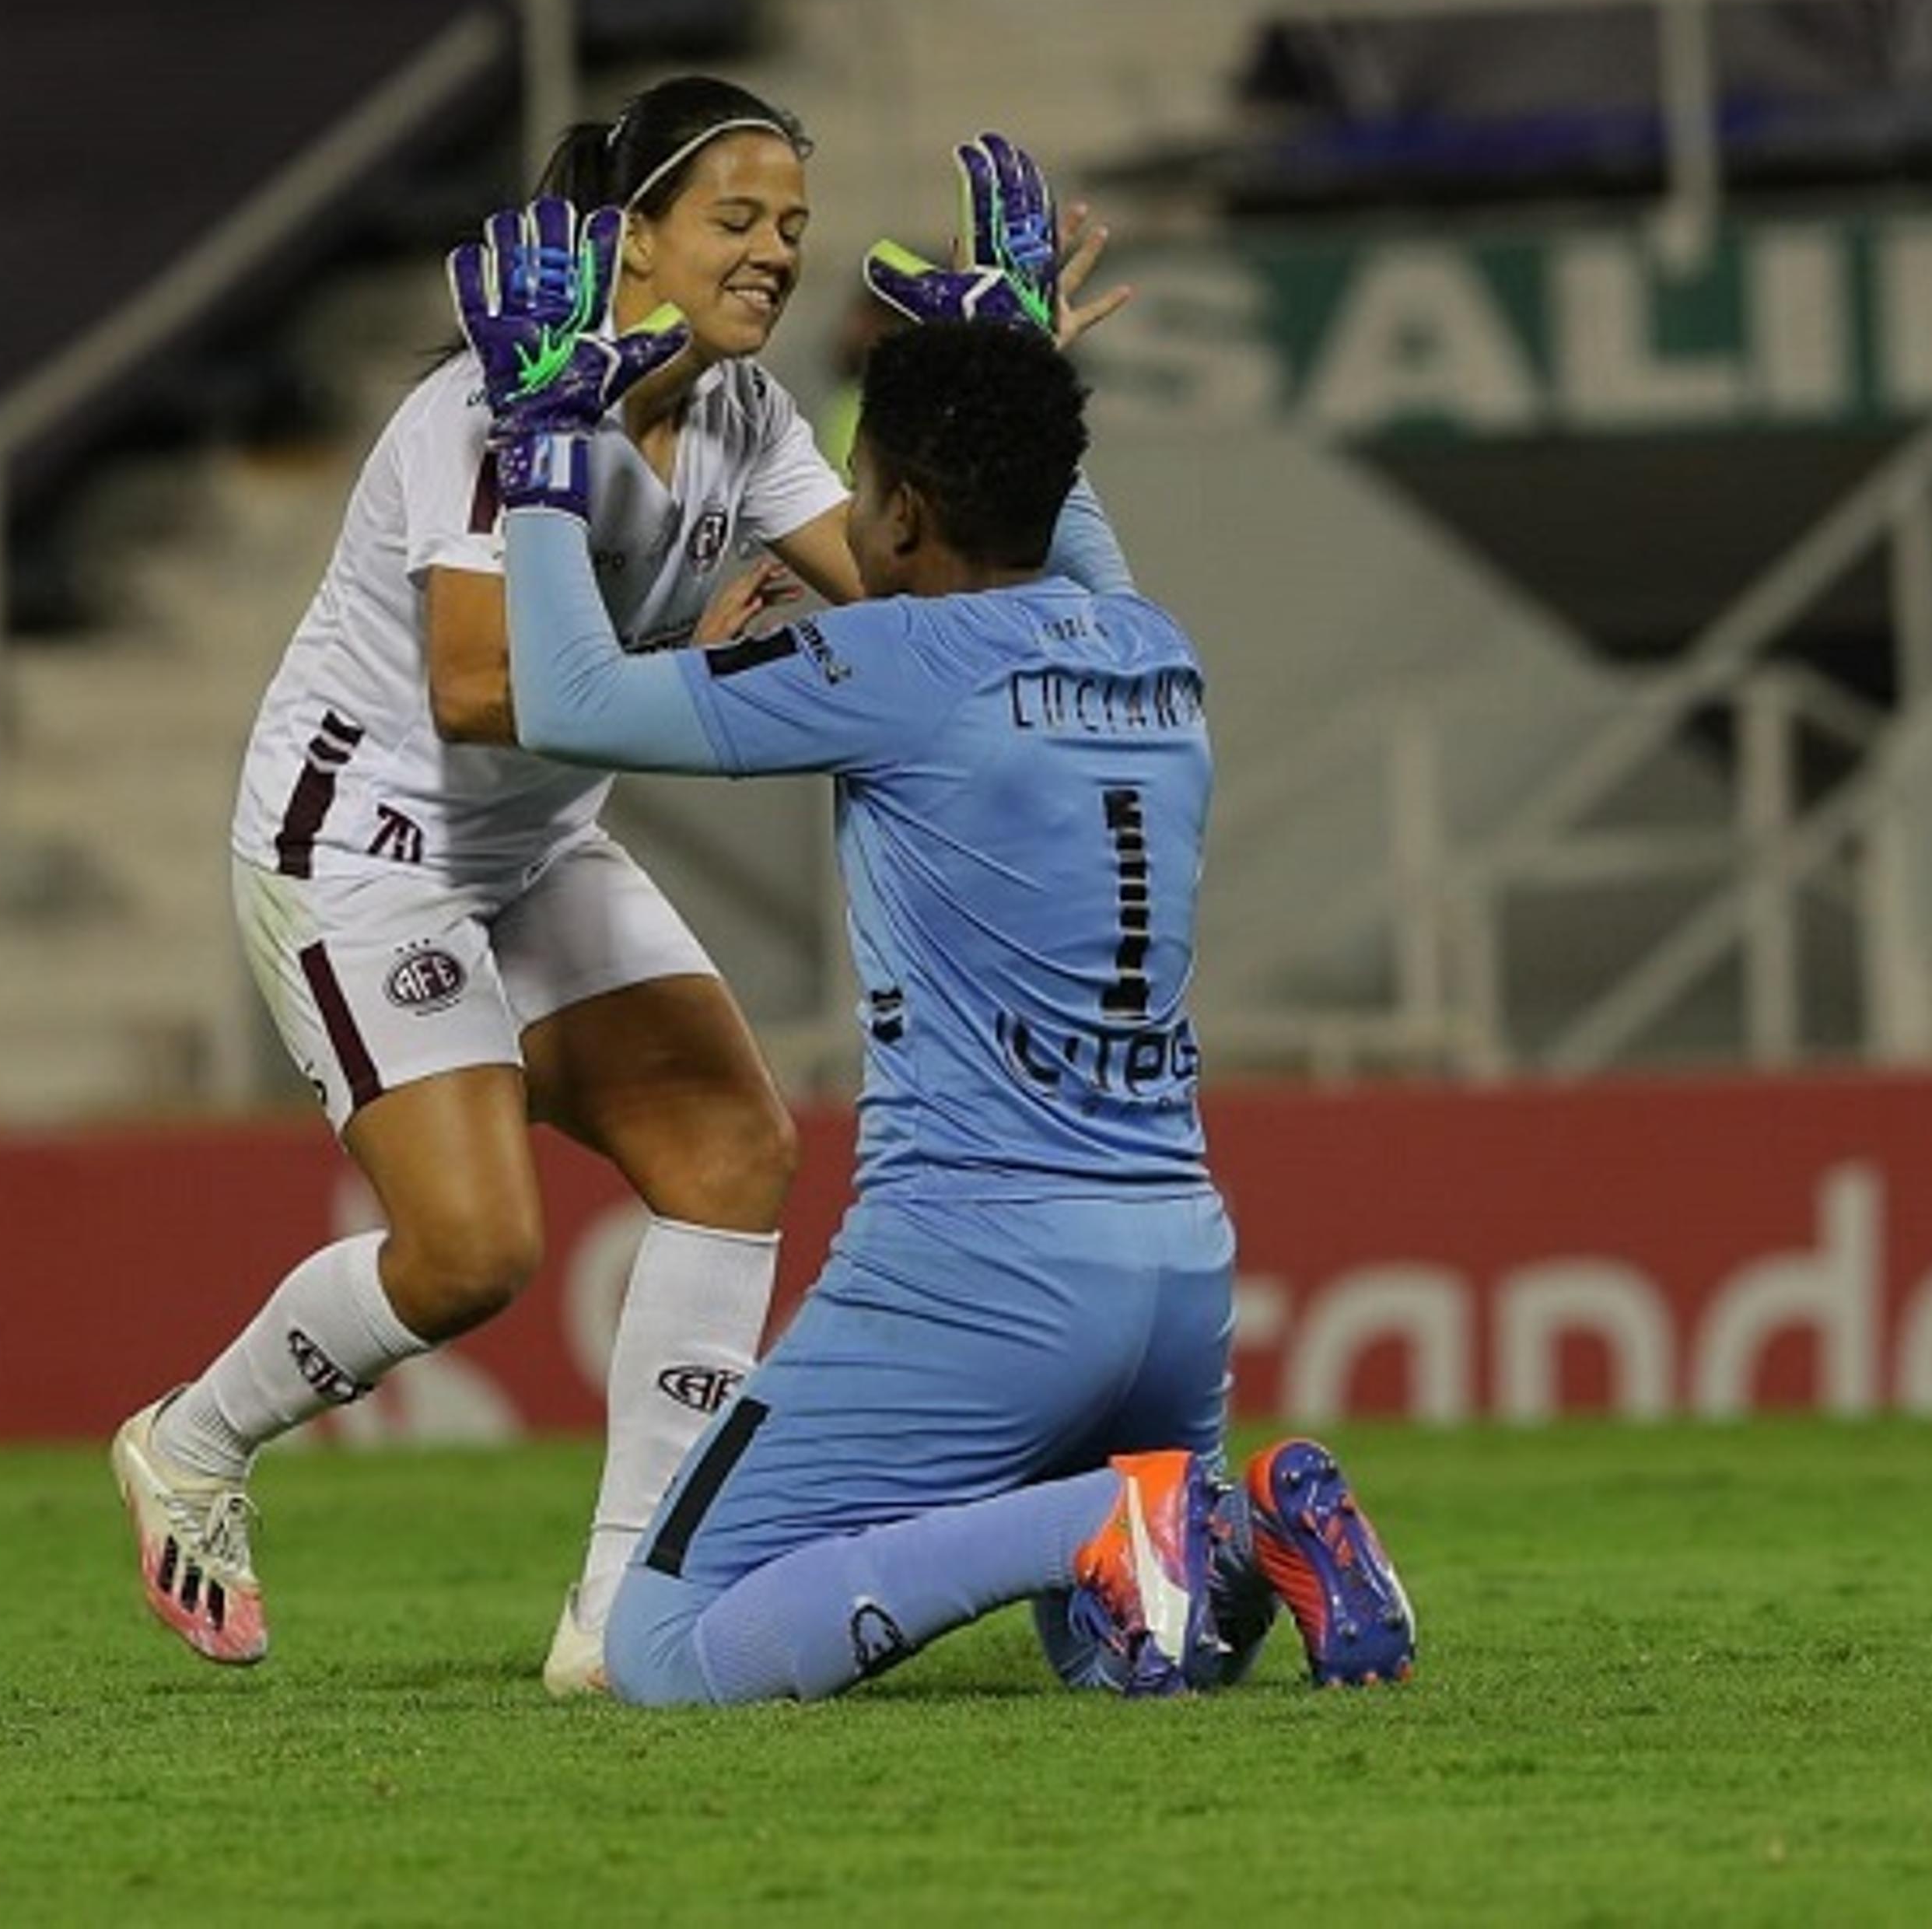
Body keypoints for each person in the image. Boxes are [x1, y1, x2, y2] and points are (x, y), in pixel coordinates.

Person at [108, 79, 1132, 1692]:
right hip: (363, 851)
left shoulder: (749, 421)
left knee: (732, 1150)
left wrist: (999, 396)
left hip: (532, 845)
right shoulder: (482, 411)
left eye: (793, 225)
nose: (776, 253)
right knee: (472, 1257)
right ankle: (190, 1441)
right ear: (630, 235)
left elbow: (934, 604)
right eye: (735, 219)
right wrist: (717, 683)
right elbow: (470, 683)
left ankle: (617, 1610)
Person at [452, 162, 1418, 1701]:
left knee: (662, 1646)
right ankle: (1234, 1533)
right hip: (1176, 1270)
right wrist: (1028, 360)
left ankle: (1137, 1511)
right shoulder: (1154, 649)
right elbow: (1054, 520)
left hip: (974, 1272)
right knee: (1112, 1651)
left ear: (899, 512)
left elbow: (570, 702)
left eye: (860, 484)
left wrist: (544, 442)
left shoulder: (899, 664)